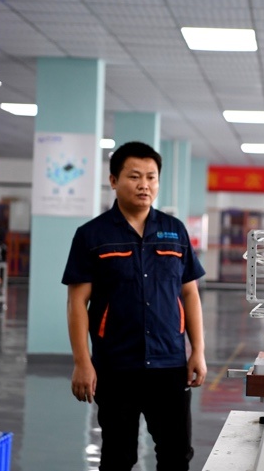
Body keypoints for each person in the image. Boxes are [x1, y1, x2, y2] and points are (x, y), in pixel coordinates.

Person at [62, 141, 207, 471]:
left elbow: (190, 295)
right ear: (113, 180)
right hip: (116, 366)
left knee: (176, 455)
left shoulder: (175, 231)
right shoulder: (92, 235)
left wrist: (197, 350)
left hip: (170, 364)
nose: (145, 185)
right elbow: (76, 303)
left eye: (152, 177)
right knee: (118, 457)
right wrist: (82, 362)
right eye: (134, 176)